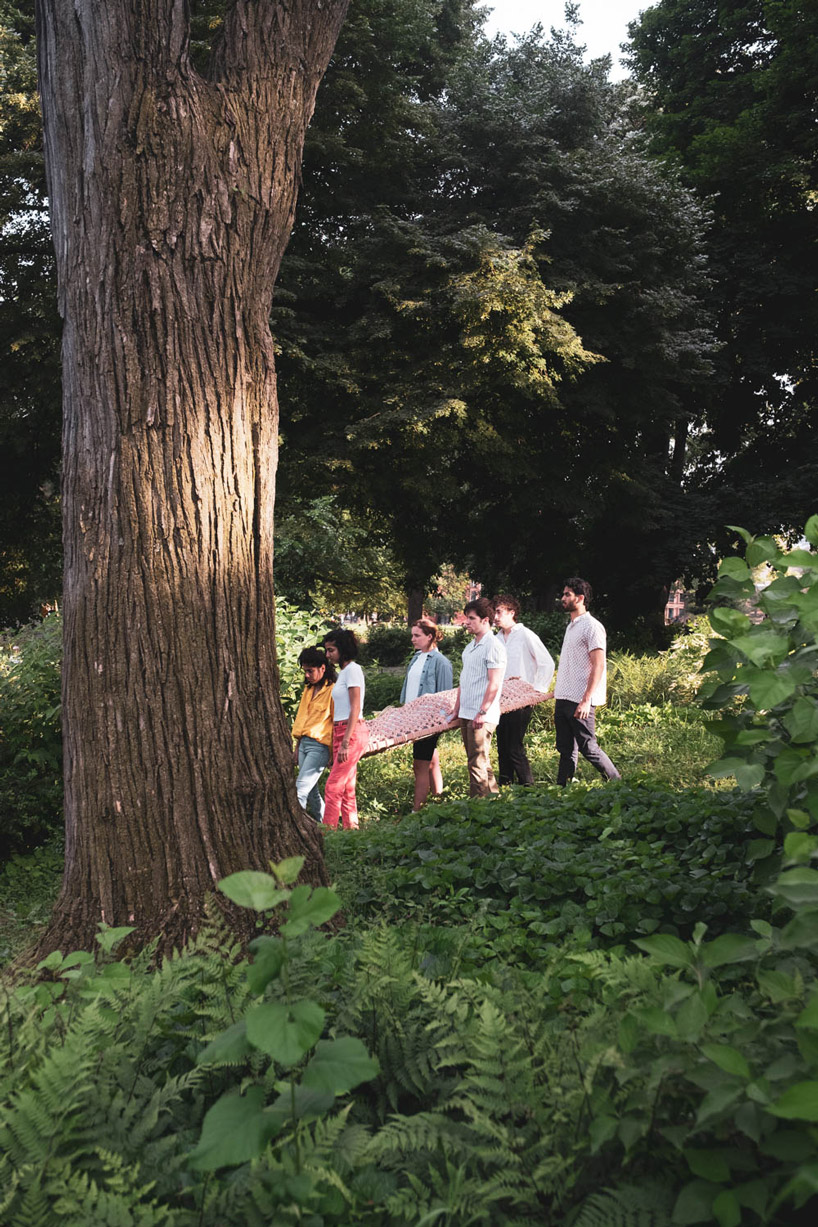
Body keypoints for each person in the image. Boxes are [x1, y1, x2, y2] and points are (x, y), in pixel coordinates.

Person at [544, 577, 621, 786]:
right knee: (565, 749)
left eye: (567, 594)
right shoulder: (571, 626)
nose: (563, 598)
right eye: (563, 593)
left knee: (588, 746)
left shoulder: (592, 627)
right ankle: (562, 789)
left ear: (580, 598)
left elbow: (599, 665)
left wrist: (587, 699)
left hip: (580, 699)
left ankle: (616, 783)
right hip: (564, 696)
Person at [447, 597, 506, 797]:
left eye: (471, 618)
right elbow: (464, 681)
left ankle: (478, 807)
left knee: (476, 762)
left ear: (485, 620)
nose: (467, 622)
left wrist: (482, 711)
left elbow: (494, 683)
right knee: (479, 759)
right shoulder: (470, 647)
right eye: (467, 618)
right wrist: (457, 708)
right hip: (467, 711)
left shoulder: (493, 646)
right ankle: (493, 800)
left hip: (482, 714)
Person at [493, 595, 554, 786]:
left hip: (522, 699)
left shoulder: (525, 634)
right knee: (502, 745)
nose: (495, 616)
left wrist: (537, 692)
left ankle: (528, 787)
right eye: (493, 612)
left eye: (498, 612)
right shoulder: (496, 639)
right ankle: (505, 784)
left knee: (514, 746)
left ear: (512, 613)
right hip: (500, 699)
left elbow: (546, 663)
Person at [400, 617, 454, 810]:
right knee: (431, 760)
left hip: (429, 721)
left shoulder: (441, 662)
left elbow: (446, 695)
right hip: (414, 718)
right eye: (412, 635)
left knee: (419, 764)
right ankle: (438, 799)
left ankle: (417, 810)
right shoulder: (416, 657)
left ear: (430, 636)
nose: (413, 639)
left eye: (417, 635)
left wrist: (439, 721)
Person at [322, 628, 367, 829]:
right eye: (326, 650)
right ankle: (352, 830)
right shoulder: (343, 673)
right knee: (347, 787)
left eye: (331, 650)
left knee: (333, 786)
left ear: (343, 649)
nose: (328, 655)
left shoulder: (353, 670)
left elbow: (355, 707)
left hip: (351, 731)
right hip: (340, 730)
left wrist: (346, 742)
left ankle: (327, 832)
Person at [291, 646, 336, 822]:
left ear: (322, 668)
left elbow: (335, 723)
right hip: (304, 744)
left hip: (320, 746)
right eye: (305, 671)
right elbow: (302, 719)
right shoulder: (309, 690)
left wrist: (334, 753)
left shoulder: (333, 690)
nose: (307, 675)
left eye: (310, 671)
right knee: (310, 792)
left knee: (300, 790)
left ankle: (297, 829)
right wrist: (297, 747)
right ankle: (324, 827)